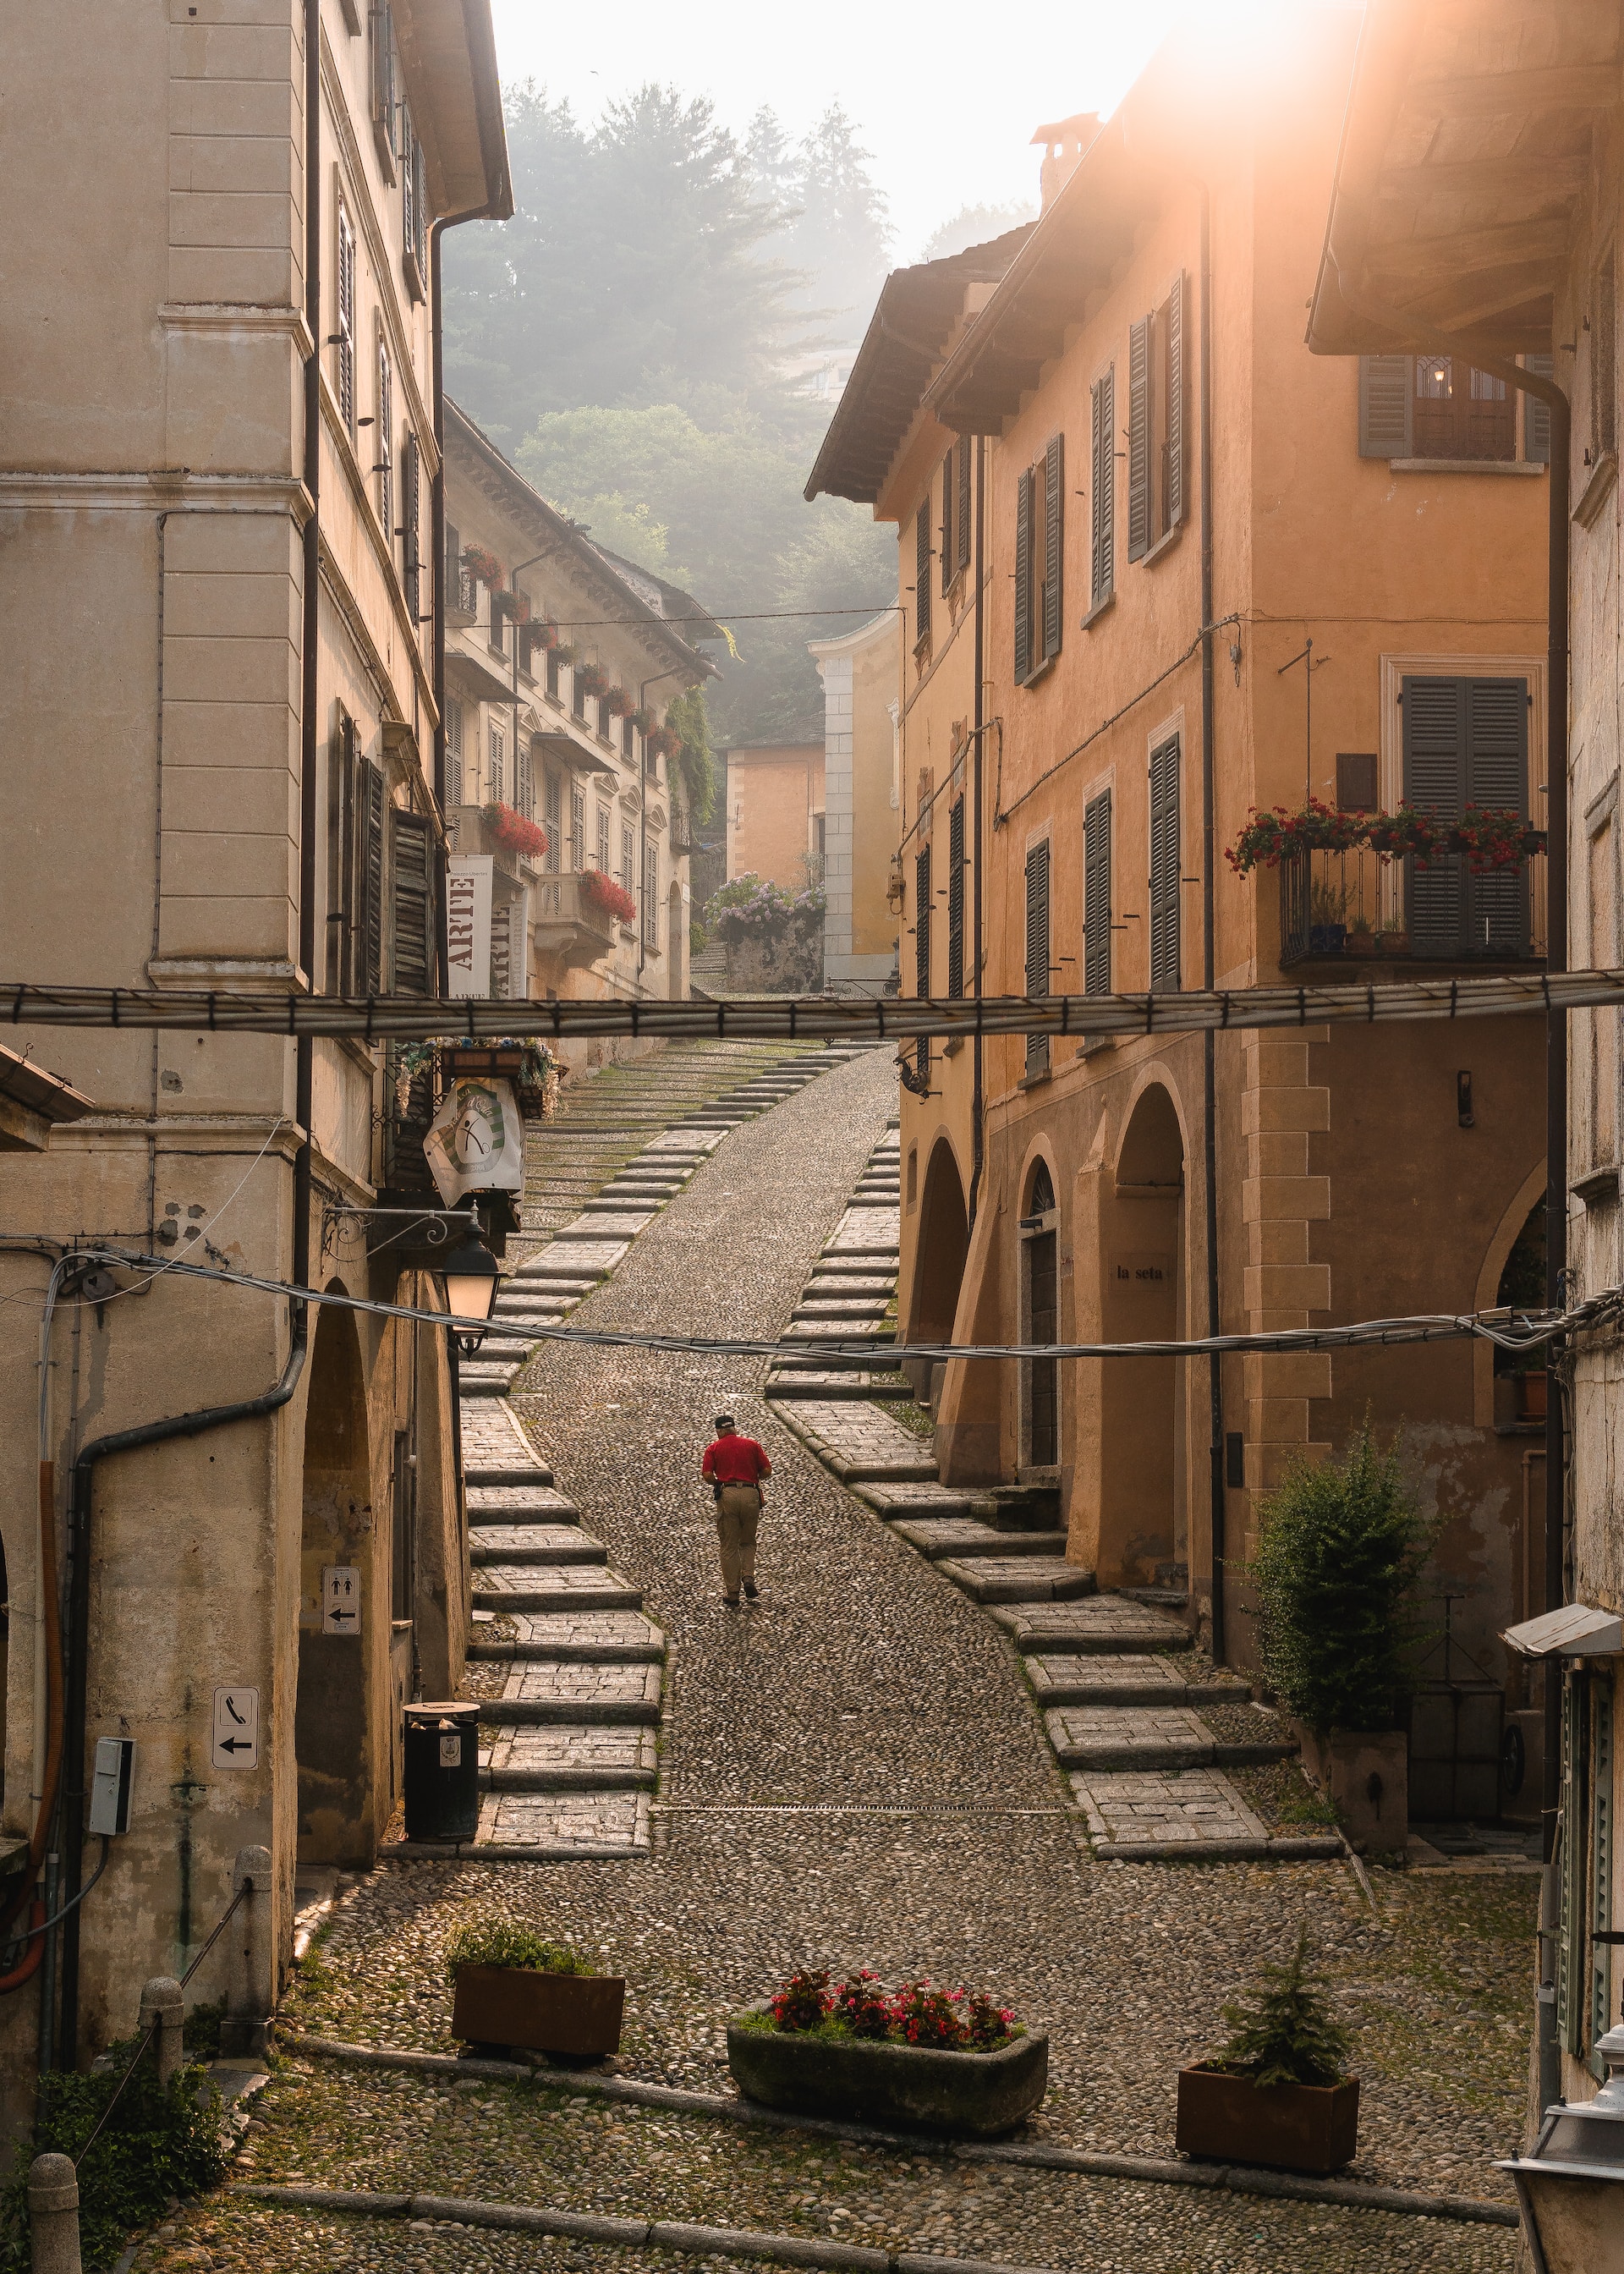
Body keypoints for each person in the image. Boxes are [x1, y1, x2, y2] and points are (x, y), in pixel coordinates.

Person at [700, 1413, 771, 1608]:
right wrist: (752, 1477)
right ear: (734, 1428)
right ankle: (748, 1577)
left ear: (719, 1431)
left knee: (729, 1545)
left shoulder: (713, 1448)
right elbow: (767, 1471)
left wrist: (718, 1482)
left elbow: (707, 1475)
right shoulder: (752, 1445)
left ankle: (733, 1593)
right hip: (751, 1494)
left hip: (728, 1494)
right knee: (748, 1541)